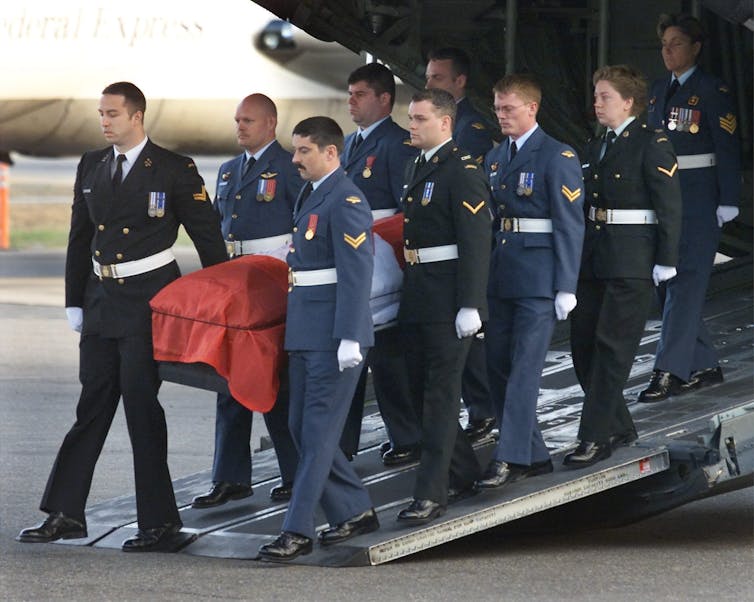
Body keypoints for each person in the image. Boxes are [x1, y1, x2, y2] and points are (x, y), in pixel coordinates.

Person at [18, 82, 228, 551]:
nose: (104, 121)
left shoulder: (174, 169)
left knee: (140, 408)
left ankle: (159, 522)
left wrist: (225, 305)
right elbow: (78, 236)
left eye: (112, 114)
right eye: (101, 114)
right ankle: (65, 512)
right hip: (99, 301)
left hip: (147, 303)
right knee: (91, 406)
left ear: (137, 117)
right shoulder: (92, 164)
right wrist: (75, 299)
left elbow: (207, 239)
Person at [258, 117, 378, 561]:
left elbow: (356, 271)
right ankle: (354, 509)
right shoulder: (313, 194)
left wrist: (350, 335)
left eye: (304, 151)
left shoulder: (345, 199)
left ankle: (298, 529)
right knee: (298, 428)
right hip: (306, 328)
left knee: (318, 434)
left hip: (333, 333)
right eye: (295, 150)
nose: (295, 159)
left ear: (331, 153)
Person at [565, 65, 682, 468]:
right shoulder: (598, 143)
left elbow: (669, 205)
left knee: (612, 350)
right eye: (596, 97)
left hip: (632, 258)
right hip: (596, 255)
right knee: (583, 346)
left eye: (605, 97)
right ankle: (618, 426)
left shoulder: (651, 143)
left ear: (629, 102)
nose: (597, 104)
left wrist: (666, 260)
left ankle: (594, 437)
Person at [191, 94, 301, 510]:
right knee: (228, 377)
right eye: (237, 120)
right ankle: (230, 476)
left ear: (270, 123)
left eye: (248, 121)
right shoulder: (228, 170)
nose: (240, 127)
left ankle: (293, 472)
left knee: (273, 379)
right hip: (234, 277)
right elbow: (221, 224)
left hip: (270, 275)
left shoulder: (290, 166)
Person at [475, 74, 584, 489]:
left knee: (524, 369)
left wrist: (567, 285)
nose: (501, 115)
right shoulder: (496, 157)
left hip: (539, 278)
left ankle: (511, 456)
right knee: (498, 365)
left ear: (532, 108)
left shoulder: (557, 156)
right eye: (498, 108)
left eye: (509, 108)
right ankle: (534, 455)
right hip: (502, 275)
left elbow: (569, 225)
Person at [395, 88, 490, 526]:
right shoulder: (421, 165)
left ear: (445, 123)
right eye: (411, 119)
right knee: (419, 392)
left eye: (419, 119)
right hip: (419, 294)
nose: (411, 126)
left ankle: (430, 493)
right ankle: (465, 471)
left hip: (449, 299)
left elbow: (476, 242)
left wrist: (471, 304)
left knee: (439, 399)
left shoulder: (461, 170)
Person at [638, 13, 740, 402]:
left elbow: (727, 146)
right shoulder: (658, 90)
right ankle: (704, 364)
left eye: (676, 43)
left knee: (685, 284)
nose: (667, 51)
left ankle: (668, 370)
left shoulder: (712, 89)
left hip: (699, 198)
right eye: (664, 44)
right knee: (666, 285)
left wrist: (728, 198)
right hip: (664, 196)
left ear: (695, 47)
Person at [339, 62, 421, 467]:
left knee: (388, 357)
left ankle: (405, 435)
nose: (350, 101)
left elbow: (405, 213)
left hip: (381, 260)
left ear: (384, 99)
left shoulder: (396, 145)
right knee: (348, 351)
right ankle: (342, 444)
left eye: (359, 94)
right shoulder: (352, 144)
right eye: (350, 94)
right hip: (355, 257)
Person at [426, 47, 497, 443]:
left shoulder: (470, 129)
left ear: (459, 82)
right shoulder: (449, 124)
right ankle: (478, 408)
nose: (429, 83)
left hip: (463, 245)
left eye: (438, 78)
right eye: (429, 77)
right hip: (442, 248)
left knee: (472, 337)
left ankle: (484, 410)